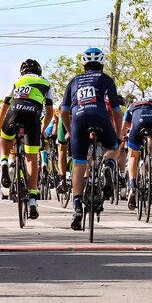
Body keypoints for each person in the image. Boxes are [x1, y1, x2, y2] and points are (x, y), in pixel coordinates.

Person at [60, 47, 122, 231]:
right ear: (102, 64)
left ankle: (77, 206)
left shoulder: (74, 81)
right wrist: (118, 134)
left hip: (78, 120)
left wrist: (70, 130)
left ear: (84, 64)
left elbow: (64, 111)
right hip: (100, 117)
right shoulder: (105, 79)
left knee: (79, 165)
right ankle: (109, 167)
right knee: (113, 148)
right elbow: (117, 111)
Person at [0, 58, 54, 220]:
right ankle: (33, 199)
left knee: (5, 139)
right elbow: (49, 112)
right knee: (31, 159)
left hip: (14, 111)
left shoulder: (18, 81)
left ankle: (5, 162)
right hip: (33, 116)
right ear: (39, 72)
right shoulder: (46, 83)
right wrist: (42, 132)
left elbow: (4, 105)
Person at [120, 96, 152, 210]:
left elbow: (122, 130)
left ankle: (132, 186)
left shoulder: (131, 106)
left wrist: (121, 144)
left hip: (138, 124)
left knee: (133, 157)